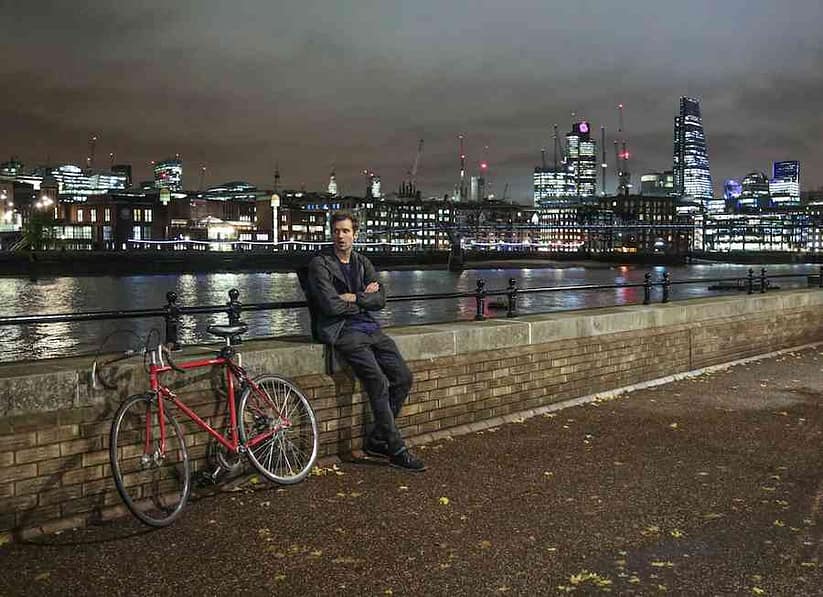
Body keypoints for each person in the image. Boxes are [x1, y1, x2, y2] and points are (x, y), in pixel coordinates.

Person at [306, 211, 425, 472]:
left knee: (403, 377)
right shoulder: (320, 264)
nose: (340, 236)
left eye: (346, 231)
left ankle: (377, 439)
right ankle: (396, 449)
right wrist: (361, 300)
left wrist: (352, 297)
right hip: (342, 332)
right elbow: (329, 305)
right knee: (378, 381)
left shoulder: (362, 262)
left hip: (370, 328)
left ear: (355, 234)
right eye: (336, 230)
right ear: (331, 233)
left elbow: (380, 299)